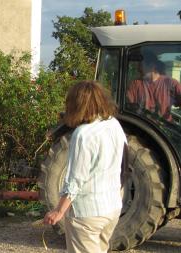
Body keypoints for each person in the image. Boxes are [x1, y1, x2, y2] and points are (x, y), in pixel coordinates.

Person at [44, 81, 126, 253]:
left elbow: (75, 179)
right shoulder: (113, 124)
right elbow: (125, 161)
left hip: (87, 214)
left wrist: (59, 210)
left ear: (76, 105)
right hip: (112, 208)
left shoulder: (83, 134)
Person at [126, 54, 181, 121]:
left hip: (163, 128)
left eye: (141, 65)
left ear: (152, 66)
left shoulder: (171, 83)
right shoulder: (135, 84)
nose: (138, 69)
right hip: (142, 127)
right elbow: (127, 108)